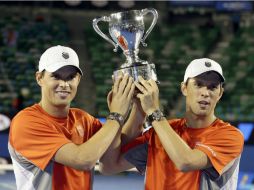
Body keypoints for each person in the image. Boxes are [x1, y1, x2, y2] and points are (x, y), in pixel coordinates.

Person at [8, 45, 143, 190]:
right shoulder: (26, 122)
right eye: (56, 76)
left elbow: (114, 155)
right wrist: (116, 116)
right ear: (39, 78)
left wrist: (139, 108)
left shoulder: (83, 119)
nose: (64, 84)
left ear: (78, 79)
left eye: (71, 77)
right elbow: (82, 160)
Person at [101, 58, 244, 190]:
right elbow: (108, 166)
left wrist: (153, 111)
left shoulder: (230, 135)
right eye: (198, 84)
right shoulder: (161, 132)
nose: (205, 93)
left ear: (220, 94)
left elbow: (186, 162)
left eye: (212, 87)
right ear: (184, 88)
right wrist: (132, 111)